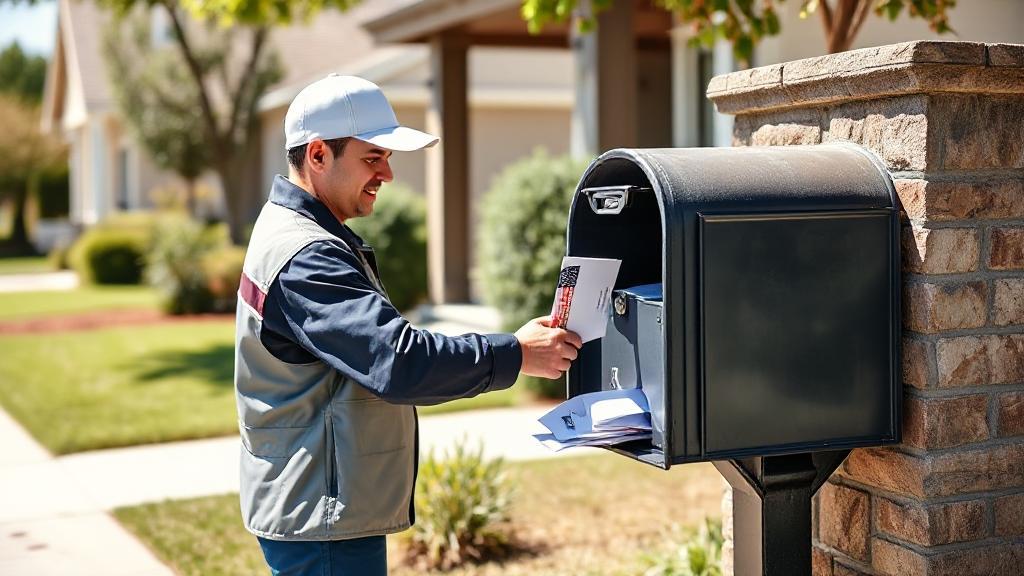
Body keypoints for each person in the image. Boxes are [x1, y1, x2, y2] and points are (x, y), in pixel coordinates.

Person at [234, 74, 582, 576]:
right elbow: (399, 362)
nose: (387, 175)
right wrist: (517, 354)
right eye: (372, 158)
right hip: (322, 520)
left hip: (316, 507)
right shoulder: (308, 257)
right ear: (317, 155)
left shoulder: (291, 231)